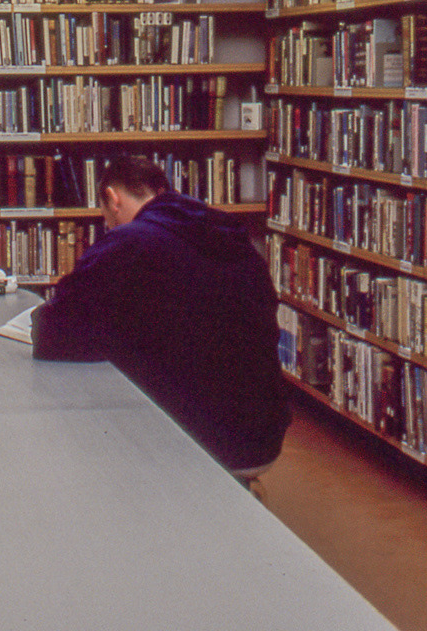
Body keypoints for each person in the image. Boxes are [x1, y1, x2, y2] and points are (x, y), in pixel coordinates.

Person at [32, 155, 290, 476]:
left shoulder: (130, 241)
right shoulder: (228, 233)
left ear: (113, 199)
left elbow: (51, 332)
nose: (109, 228)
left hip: (203, 441)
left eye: (106, 219)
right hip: (263, 435)